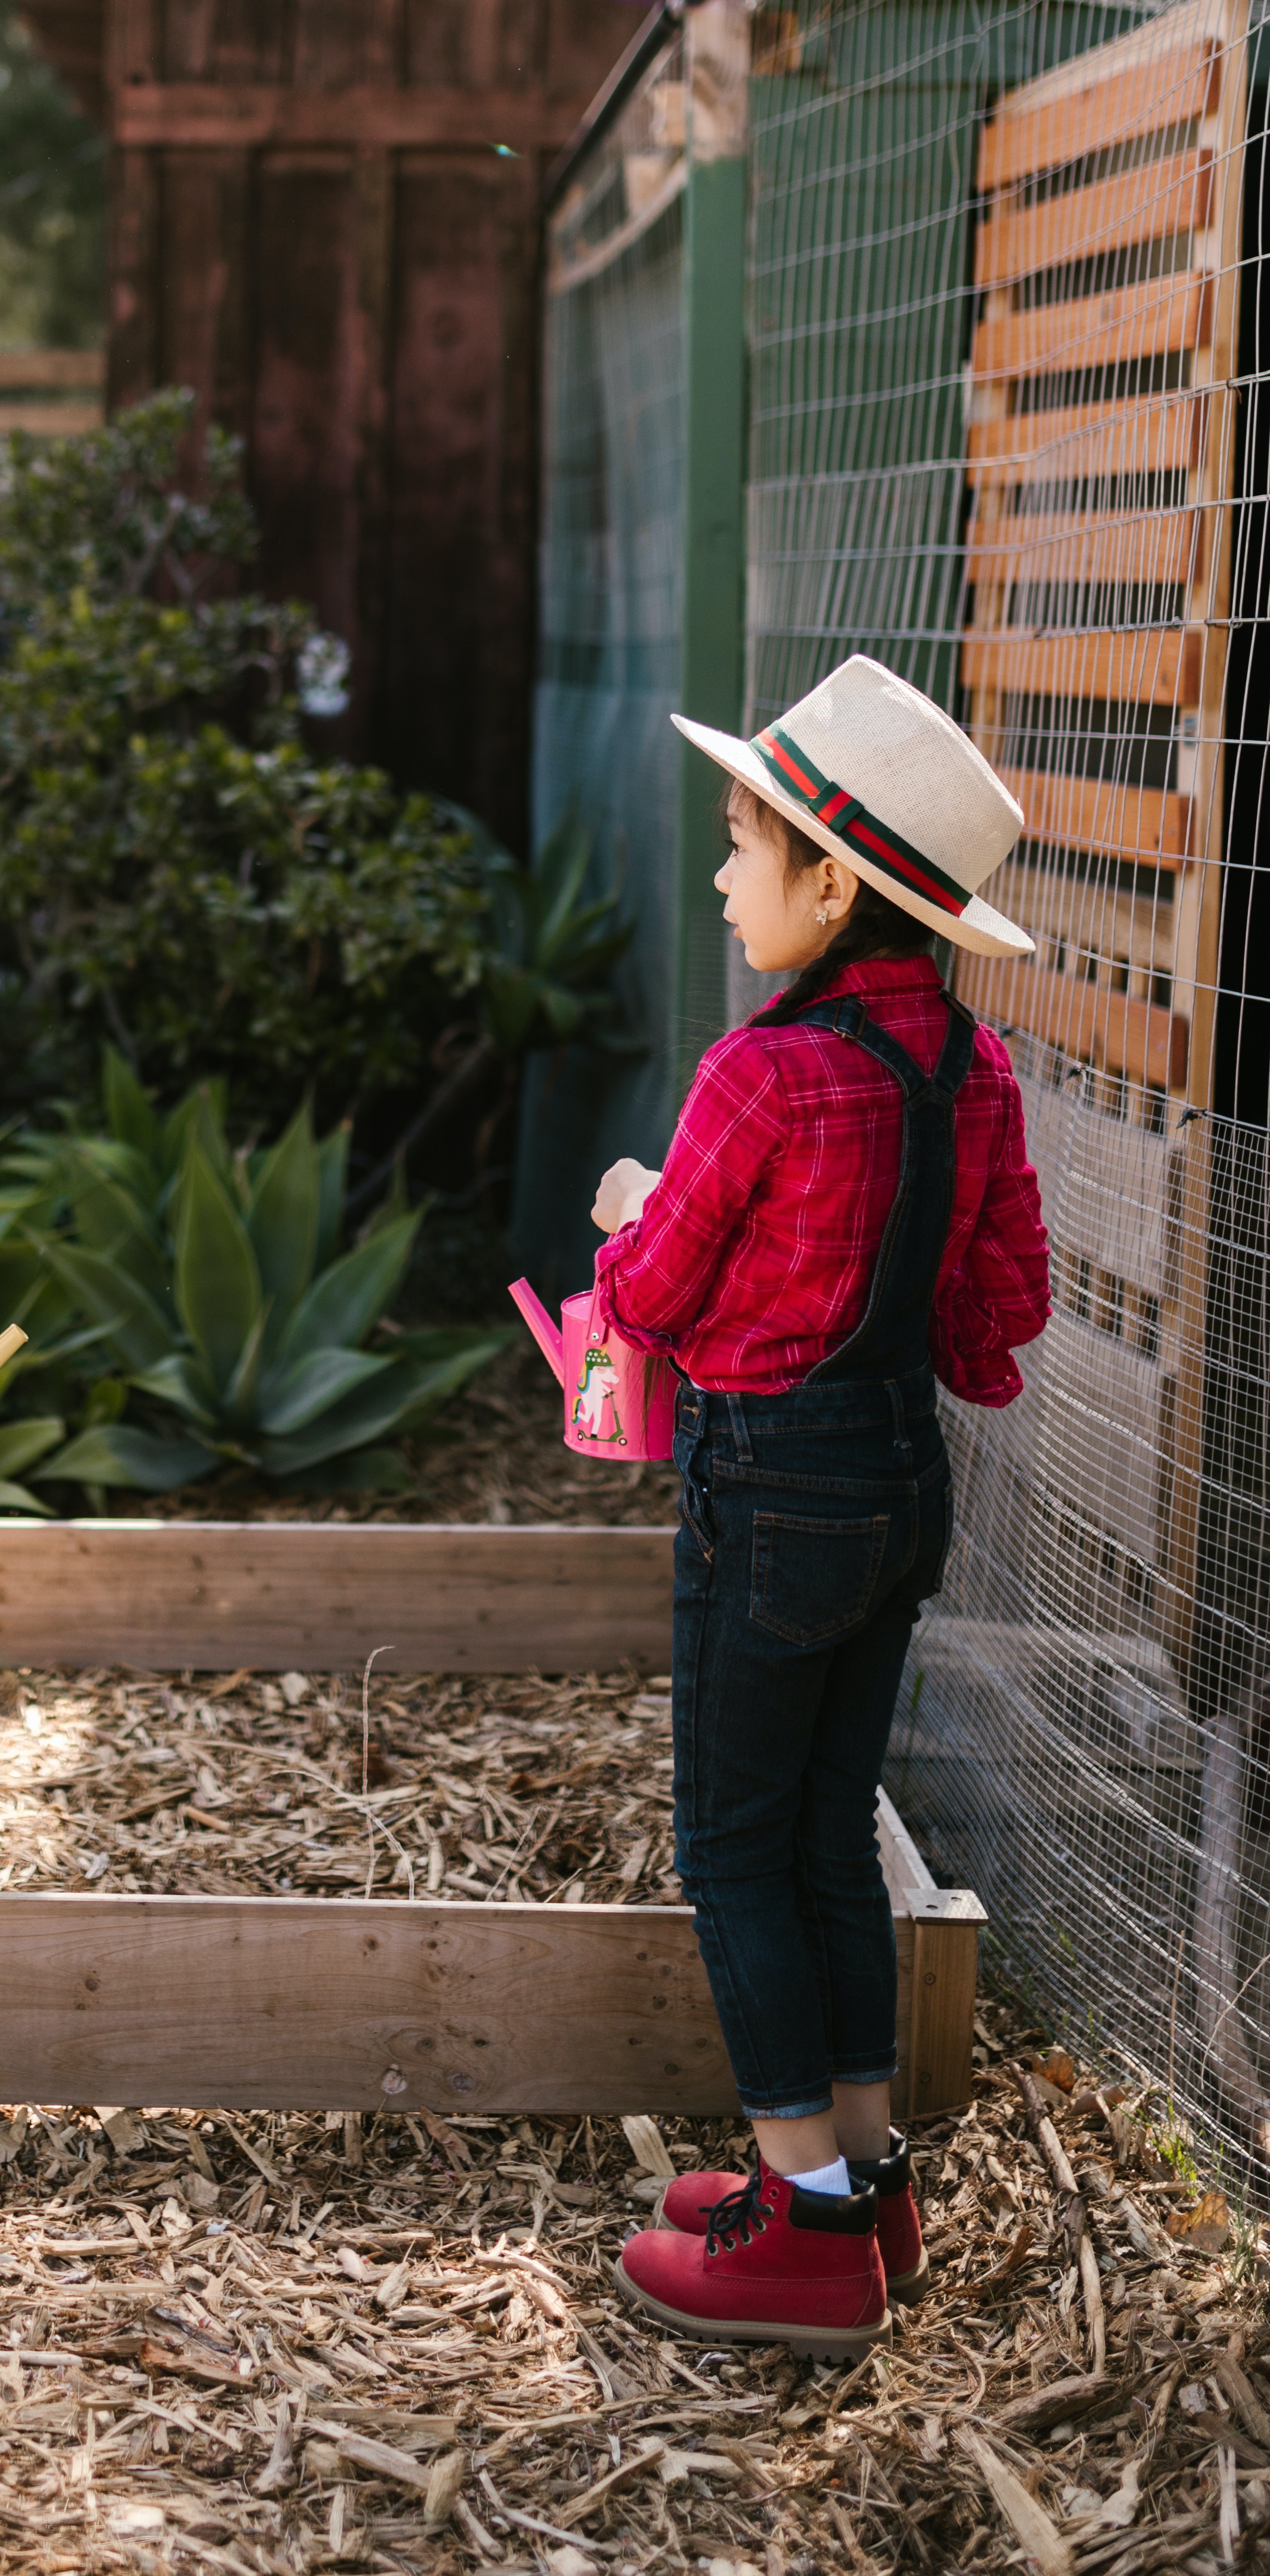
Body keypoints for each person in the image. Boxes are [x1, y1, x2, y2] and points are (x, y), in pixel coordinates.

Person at [594, 657, 1048, 2356]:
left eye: (741, 846)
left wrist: (637, 1204)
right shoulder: (976, 1074)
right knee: (836, 1836)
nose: (723, 879)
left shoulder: (760, 1077)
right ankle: (867, 2183)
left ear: (832, 881)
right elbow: (996, 1326)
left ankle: (799, 2223)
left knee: (734, 1848)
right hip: (902, 1491)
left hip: (767, 1498)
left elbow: (642, 1300)